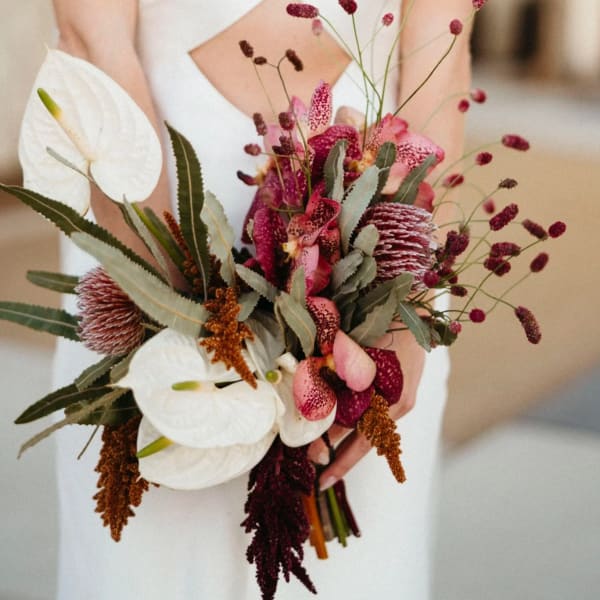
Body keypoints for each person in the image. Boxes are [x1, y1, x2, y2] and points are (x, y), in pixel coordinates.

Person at [49, 1, 473, 598]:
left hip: (373, 236)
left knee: (357, 575)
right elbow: (93, 45)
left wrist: (408, 306)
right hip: (144, 219)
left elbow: (441, 67)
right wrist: (180, 310)